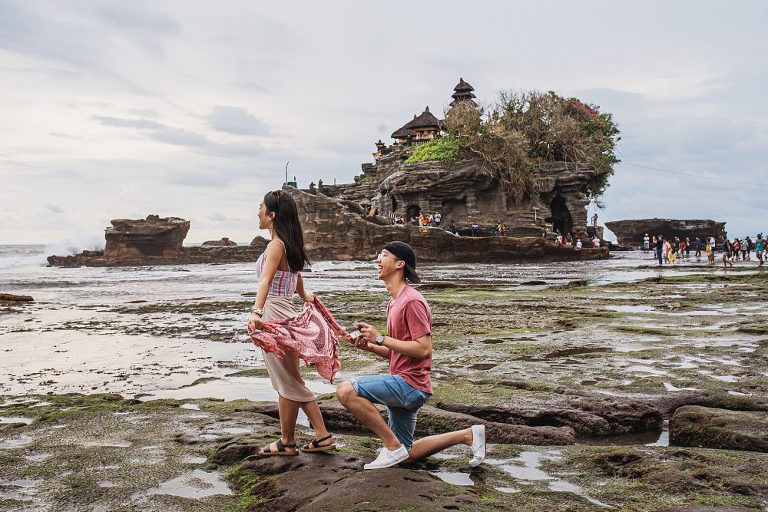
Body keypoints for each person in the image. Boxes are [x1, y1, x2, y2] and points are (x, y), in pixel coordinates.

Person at [336, 241, 486, 470]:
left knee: (346, 390)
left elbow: (423, 349)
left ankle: (391, 447)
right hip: (405, 382)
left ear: (400, 264)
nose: (378, 259)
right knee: (406, 455)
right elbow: (400, 352)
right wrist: (372, 347)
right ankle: (468, 435)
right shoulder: (393, 303)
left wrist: (380, 338)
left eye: (384, 255)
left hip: (410, 384)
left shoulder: (412, 300)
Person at [248, 190, 336, 456]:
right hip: (287, 309)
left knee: (288, 381)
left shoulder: (276, 245)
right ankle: (294, 440)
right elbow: (295, 276)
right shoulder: (289, 243)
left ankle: (313, 437)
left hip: (274, 311)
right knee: (288, 379)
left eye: (261, 207)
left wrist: (256, 311)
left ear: (272, 215)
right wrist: (302, 295)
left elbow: (265, 280)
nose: (258, 212)